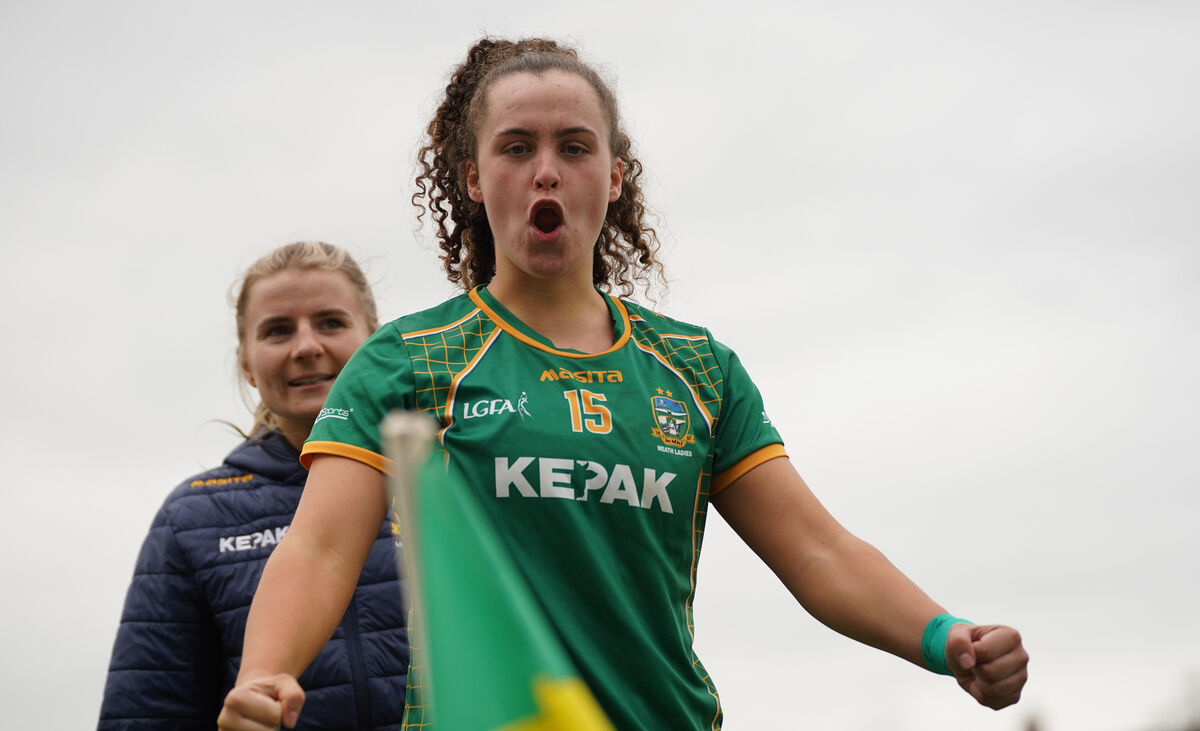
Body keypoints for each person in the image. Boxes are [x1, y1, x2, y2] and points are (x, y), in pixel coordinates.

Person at [218, 39, 1029, 731]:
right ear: (471, 178)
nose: (546, 172)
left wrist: (944, 636)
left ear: (613, 178)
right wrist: (265, 674)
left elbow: (819, 551)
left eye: (574, 147)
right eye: (516, 148)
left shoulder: (698, 369)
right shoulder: (406, 360)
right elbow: (320, 549)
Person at [100, 241, 409, 730]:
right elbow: (147, 714)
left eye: (331, 322)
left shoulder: (446, 483)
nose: (307, 346)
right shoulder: (192, 519)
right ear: (246, 363)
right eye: (278, 330)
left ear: (374, 341)